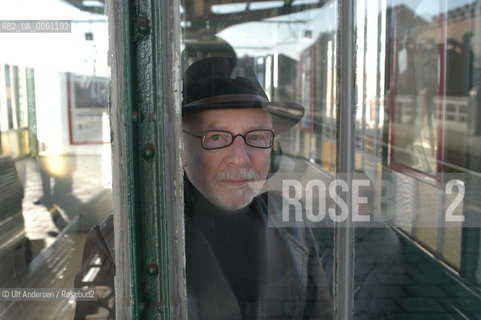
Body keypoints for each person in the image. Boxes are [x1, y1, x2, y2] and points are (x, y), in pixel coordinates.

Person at [74, 56, 332, 319]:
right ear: (181, 150)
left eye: (256, 137)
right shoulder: (121, 245)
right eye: (217, 137)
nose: (241, 157)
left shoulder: (291, 220)